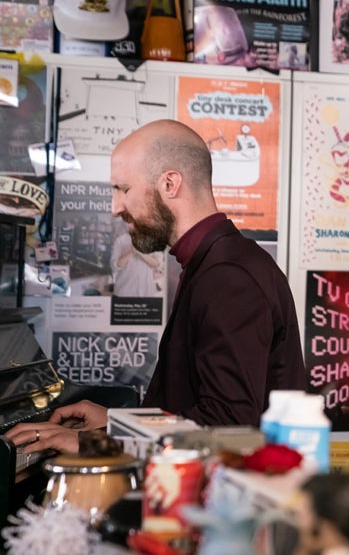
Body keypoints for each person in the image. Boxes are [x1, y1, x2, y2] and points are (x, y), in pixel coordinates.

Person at [7, 119, 305, 454]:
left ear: (170, 184)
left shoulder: (229, 277)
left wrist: (96, 442)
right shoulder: (215, 264)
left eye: (124, 189)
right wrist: (117, 421)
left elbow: (228, 427)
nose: (115, 206)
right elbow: (194, 410)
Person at [110, 225, 163, 298]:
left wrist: (140, 252)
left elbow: (157, 264)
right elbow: (115, 266)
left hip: (147, 291)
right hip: (124, 291)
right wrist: (131, 252)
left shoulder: (152, 240)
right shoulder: (120, 240)